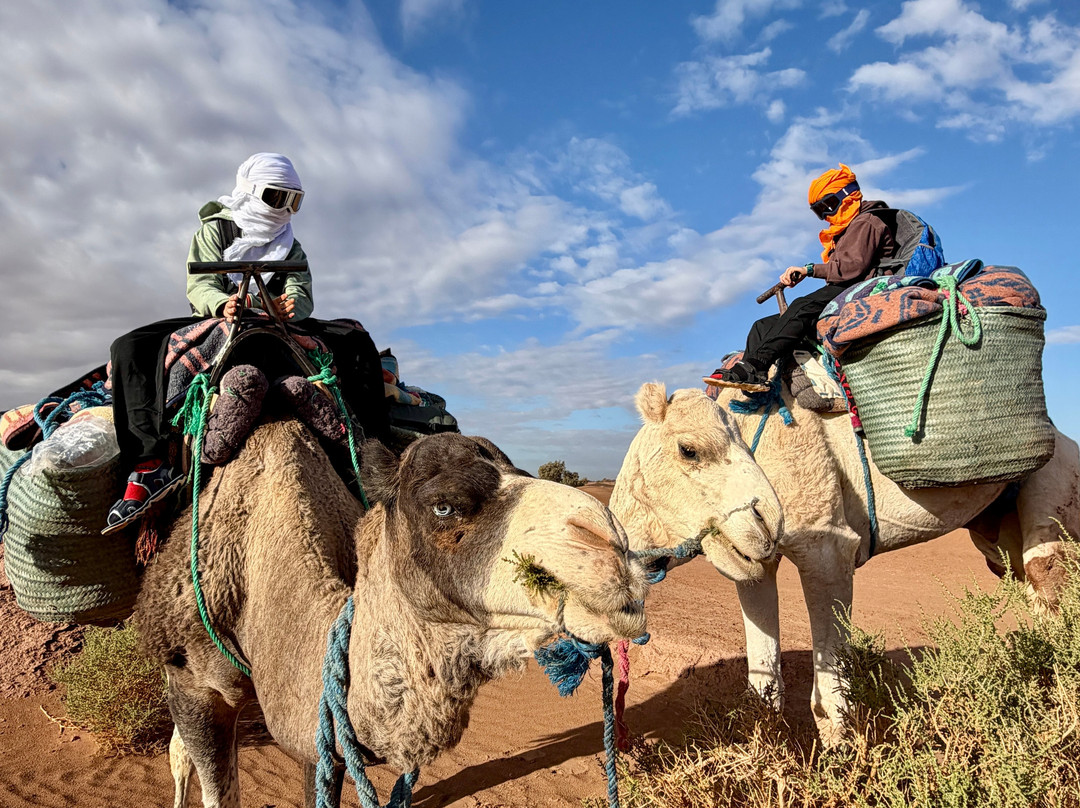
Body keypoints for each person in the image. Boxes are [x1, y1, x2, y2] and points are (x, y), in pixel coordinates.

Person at [105, 153, 388, 532]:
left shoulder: (290, 244)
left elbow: (300, 291)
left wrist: (293, 307)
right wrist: (223, 302)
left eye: (294, 201)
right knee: (130, 347)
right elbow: (200, 285)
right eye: (277, 198)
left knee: (356, 340)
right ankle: (149, 466)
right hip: (219, 316)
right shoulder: (215, 231)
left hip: (277, 325)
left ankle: (376, 456)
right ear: (253, 192)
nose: (285, 209)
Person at [704, 163, 897, 392]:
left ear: (847, 196)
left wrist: (809, 270)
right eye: (819, 211)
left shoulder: (866, 222)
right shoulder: (847, 229)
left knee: (802, 305)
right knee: (761, 326)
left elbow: (850, 269)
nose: (826, 215)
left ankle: (756, 366)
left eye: (829, 205)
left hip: (861, 288)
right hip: (843, 288)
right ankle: (752, 376)